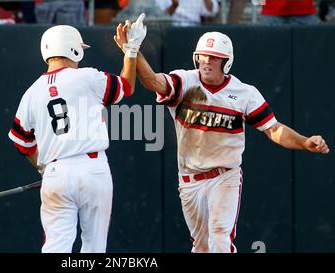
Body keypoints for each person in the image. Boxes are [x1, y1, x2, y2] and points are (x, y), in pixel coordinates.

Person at [113, 27, 330, 252]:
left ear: (226, 62)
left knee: (219, 236)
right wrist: (133, 50)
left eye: (214, 58)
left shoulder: (244, 93)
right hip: (190, 179)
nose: (206, 61)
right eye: (203, 56)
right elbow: (153, 83)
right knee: (202, 246)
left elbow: (273, 129)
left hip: (224, 175)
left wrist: (304, 142)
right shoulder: (185, 80)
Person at [7, 15, 147, 253]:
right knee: (93, 248)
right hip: (93, 169)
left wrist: (43, 168)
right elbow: (127, 85)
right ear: (73, 49)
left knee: (55, 248)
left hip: (55, 172)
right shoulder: (87, 77)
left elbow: (20, 140)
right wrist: (131, 50)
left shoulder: (31, 93)